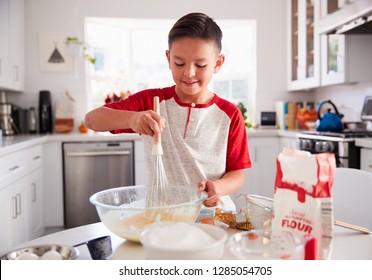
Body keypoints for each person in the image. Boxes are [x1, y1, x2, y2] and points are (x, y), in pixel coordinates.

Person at [84, 12, 251, 211]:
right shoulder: (150, 102)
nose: (189, 73)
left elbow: (237, 173)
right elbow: (91, 120)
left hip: (215, 215)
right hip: (163, 215)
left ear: (217, 64)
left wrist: (218, 187)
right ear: (168, 59)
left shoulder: (229, 114)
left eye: (200, 64)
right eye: (179, 63)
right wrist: (132, 118)